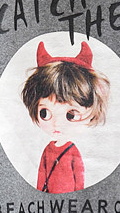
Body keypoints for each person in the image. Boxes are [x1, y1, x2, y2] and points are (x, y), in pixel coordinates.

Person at [21, 40, 110, 193]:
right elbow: (41, 176)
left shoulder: (72, 151)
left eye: (71, 115)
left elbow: (79, 180)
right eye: (45, 113)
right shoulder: (48, 150)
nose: (57, 124)